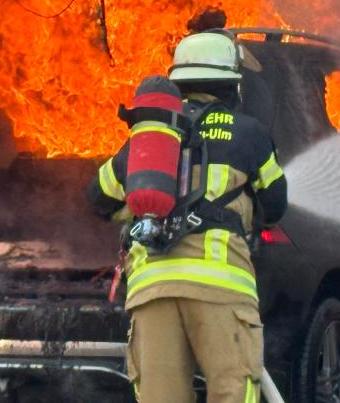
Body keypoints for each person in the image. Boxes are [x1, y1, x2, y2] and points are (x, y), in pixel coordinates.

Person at [88, 30, 288, 403]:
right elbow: (275, 205)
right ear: (231, 86)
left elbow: (98, 197)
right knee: (232, 391)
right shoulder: (249, 134)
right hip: (220, 288)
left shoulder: (149, 139)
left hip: (153, 288)